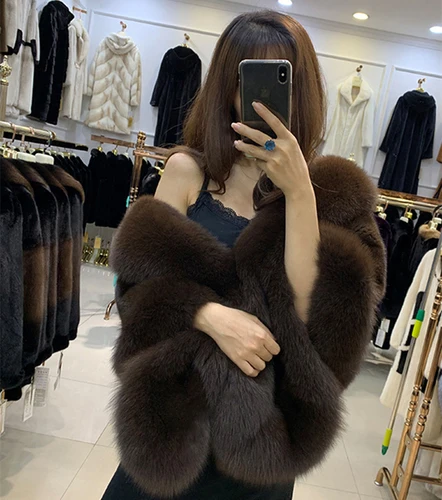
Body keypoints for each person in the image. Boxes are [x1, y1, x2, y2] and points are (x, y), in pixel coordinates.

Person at [103, 9, 341, 500]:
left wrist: (299, 194)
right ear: (227, 88)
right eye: (247, 81)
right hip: (172, 427)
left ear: (303, 93)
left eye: (281, 82)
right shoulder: (187, 173)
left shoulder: (329, 199)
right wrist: (207, 315)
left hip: (261, 445)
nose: (263, 102)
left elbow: (313, 324)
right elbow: (135, 290)